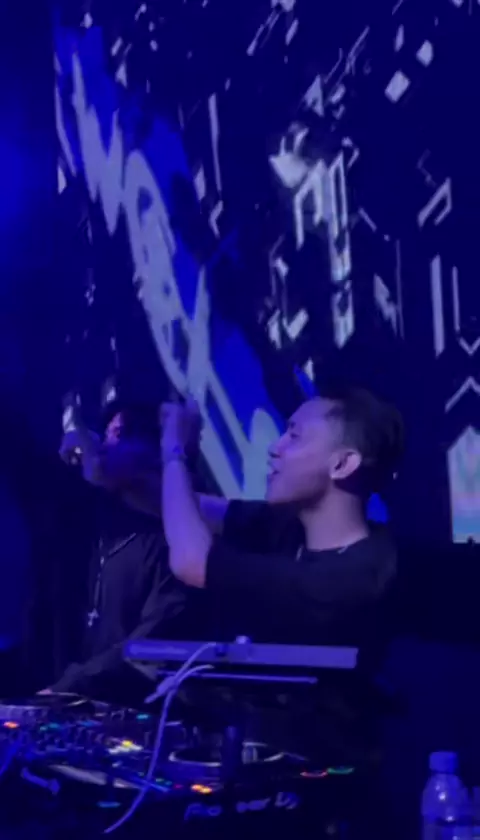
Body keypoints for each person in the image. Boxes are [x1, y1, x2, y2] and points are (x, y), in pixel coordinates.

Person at [158, 385, 404, 764]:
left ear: (342, 464)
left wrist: (174, 452)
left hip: (328, 780)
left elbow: (192, 561)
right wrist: (107, 470)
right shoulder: (287, 528)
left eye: (294, 435)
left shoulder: (358, 575)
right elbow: (188, 508)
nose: (275, 447)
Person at [44, 400, 191, 703]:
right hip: (79, 703)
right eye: (106, 435)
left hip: (144, 710)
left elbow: (149, 644)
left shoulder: (175, 540)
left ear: (154, 448)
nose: (104, 447)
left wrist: (70, 686)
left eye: (119, 436)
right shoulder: (93, 524)